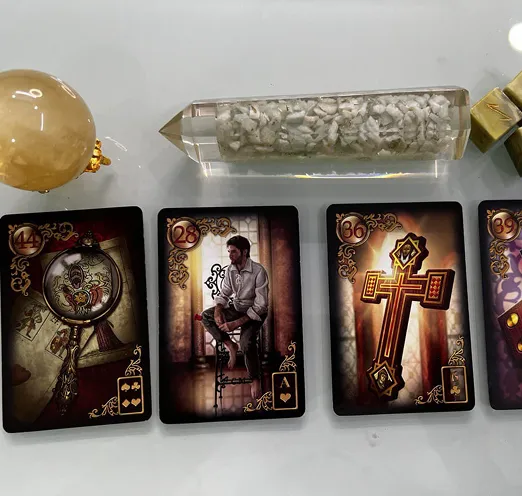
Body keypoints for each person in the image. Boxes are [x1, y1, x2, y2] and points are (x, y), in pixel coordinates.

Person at [201, 235, 269, 399]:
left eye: (233, 252)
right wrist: (218, 310)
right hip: (237, 308)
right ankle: (230, 345)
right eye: (229, 252)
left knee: (246, 343)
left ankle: (255, 379)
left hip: (255, 312)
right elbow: (224, 293)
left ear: (244, 252)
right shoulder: (230, 270)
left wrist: (236, 323)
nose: (230, 255)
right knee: (206, 316)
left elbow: (261, 305)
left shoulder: (259, 271)